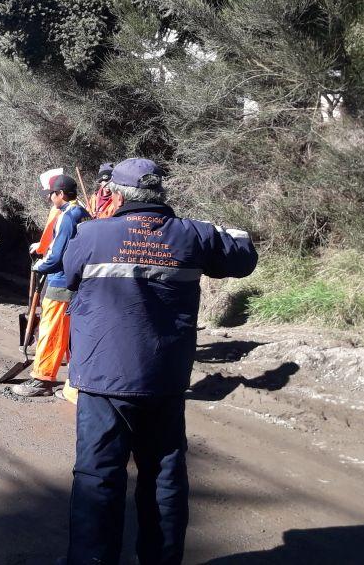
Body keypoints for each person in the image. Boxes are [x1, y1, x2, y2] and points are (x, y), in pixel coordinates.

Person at [61, 158, 258, 564]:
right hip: (164, 379)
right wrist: (218, 229)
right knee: (164, 476)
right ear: (161, 194)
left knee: (98, 477)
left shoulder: (92, 234)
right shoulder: (193, 236)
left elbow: (68, 271)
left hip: (103, 380)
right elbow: (243, 255)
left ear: (114, 195)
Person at [11, 173, 89, 398]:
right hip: (78, 283)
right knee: (72, 335)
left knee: (51, 331)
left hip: (61, 282)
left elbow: (57, 255)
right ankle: (75, 384)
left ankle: (42, 379)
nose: (50, 199)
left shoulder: (67, 216)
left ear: (61, 194)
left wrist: (39, 267)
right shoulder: (83, 213)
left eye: (52, 194)